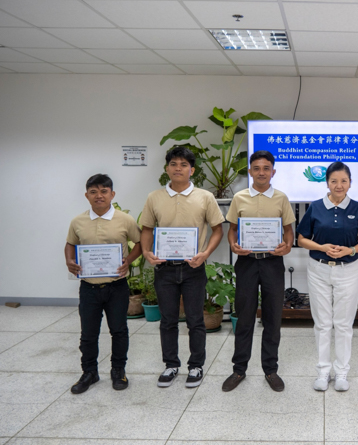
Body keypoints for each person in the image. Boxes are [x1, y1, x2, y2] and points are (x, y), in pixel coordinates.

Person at [140, 147, 224, 389]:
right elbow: (146, 228)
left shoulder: (205, 197)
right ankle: (171, 365)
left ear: (192, 170)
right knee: (167, 320)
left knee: (196, 320)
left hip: (193, 268)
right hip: (164, 269)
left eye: (184, 165)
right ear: (167, 168)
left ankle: (196, 365)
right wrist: (147, 253)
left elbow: (218, 229)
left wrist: (205, 253)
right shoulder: (154, 197)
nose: (178, 168)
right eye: (174, 164)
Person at [296, 162, 358, 392]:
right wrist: (321, 246)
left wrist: (350, 250)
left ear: (350, 183)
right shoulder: (316, 207)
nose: (339, 186)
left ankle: (341, 373)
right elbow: (302, 239)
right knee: (322, 323)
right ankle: (322, 372)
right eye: (334, 181)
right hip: (319, 268)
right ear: (326, 183)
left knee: (343, 323)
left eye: (344, 181)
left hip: (348, 270)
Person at [222, 151, 296, 393]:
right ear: (250, 172)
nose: (261, 172)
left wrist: (287, 245)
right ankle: (239, 369)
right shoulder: (239, 198)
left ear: (273, 172)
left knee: (273, 317)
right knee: (244, 317)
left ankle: (270, 369)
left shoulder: (281, 198)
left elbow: (288, 231)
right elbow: (232, 230)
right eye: (257, 168)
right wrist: (233, 245)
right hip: (247, 263)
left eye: (266, 168)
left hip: (272, 262)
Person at [65, 174, 142, 394]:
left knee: (119, 331)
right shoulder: (77, 221)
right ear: (87, 195)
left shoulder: (125, 220)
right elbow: (70, 244)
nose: (99, 196)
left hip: (116, 286)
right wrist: (69, 261)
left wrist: (129, 260)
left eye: (104, 191)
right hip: (89, 287)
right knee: (88, 334)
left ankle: (118, 370)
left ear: (112, 194)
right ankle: (89, 372)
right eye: (94, 192)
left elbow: (140, 242)